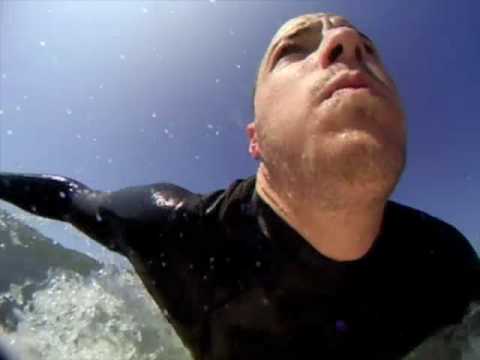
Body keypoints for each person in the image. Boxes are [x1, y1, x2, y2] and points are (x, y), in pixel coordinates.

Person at [0, 12, 478, 360]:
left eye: (369, 49)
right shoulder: (174, 232)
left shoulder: (448, 268)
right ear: (256, 139)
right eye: (294, 50)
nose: (349, 42)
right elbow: (68, 199)